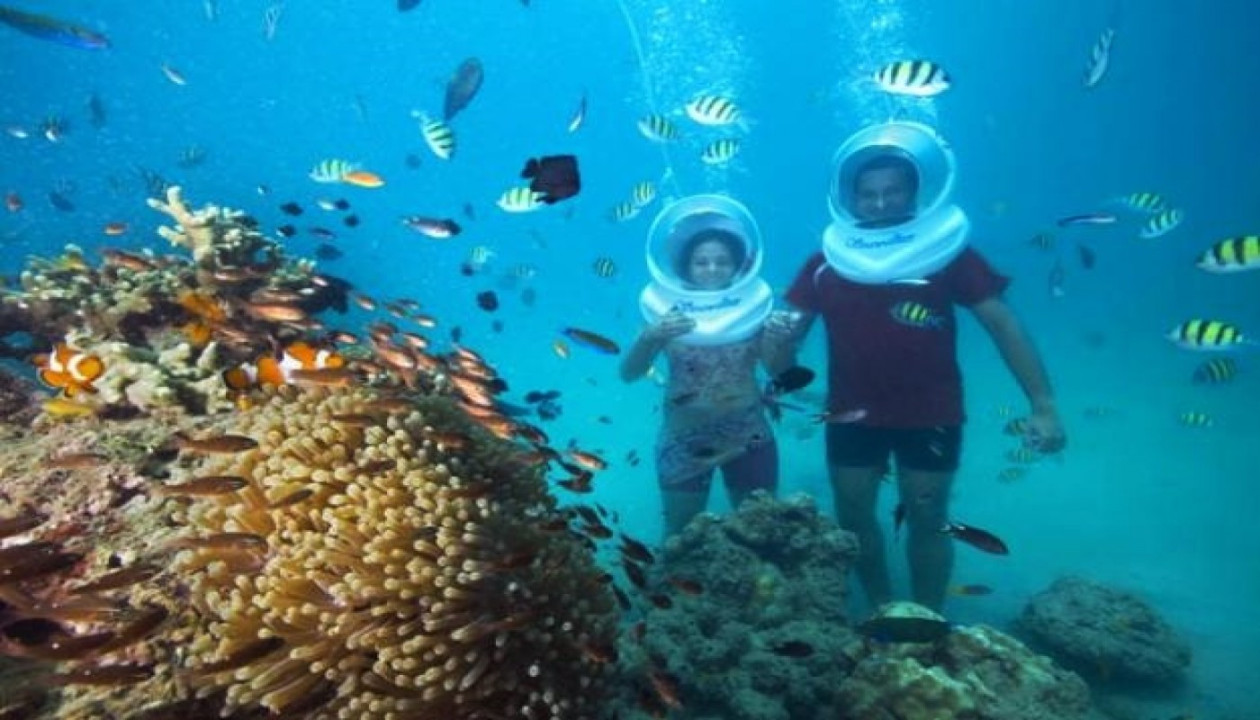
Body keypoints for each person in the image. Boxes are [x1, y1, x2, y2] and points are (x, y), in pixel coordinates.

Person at [769, 122, 1066, 611]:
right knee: (853, 516)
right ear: (851, 198)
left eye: (894, 191)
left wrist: (1044, 405)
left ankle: (927, 621)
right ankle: (885, 609)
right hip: (851, 415)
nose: (882, 204)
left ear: (916, 193)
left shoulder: (948, 254)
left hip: (932, 413)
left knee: (929, 519)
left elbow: (1004, 325)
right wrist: (776, 345)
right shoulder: (825, 261)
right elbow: (782, 363)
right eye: (869, 194)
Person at [621, 195, 790, 538]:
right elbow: (629, 374)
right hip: (682, 437)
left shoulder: (755, 309)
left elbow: (780, 374)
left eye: (722, 261)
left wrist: (778, 339)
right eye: (702, 262)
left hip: (748, 433)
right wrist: (649, 337)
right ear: (686, 266)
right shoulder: (664, 312)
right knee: (680, 535)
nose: (712, 270)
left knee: (760, 531)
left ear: (737, 264)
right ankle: (673, 593)